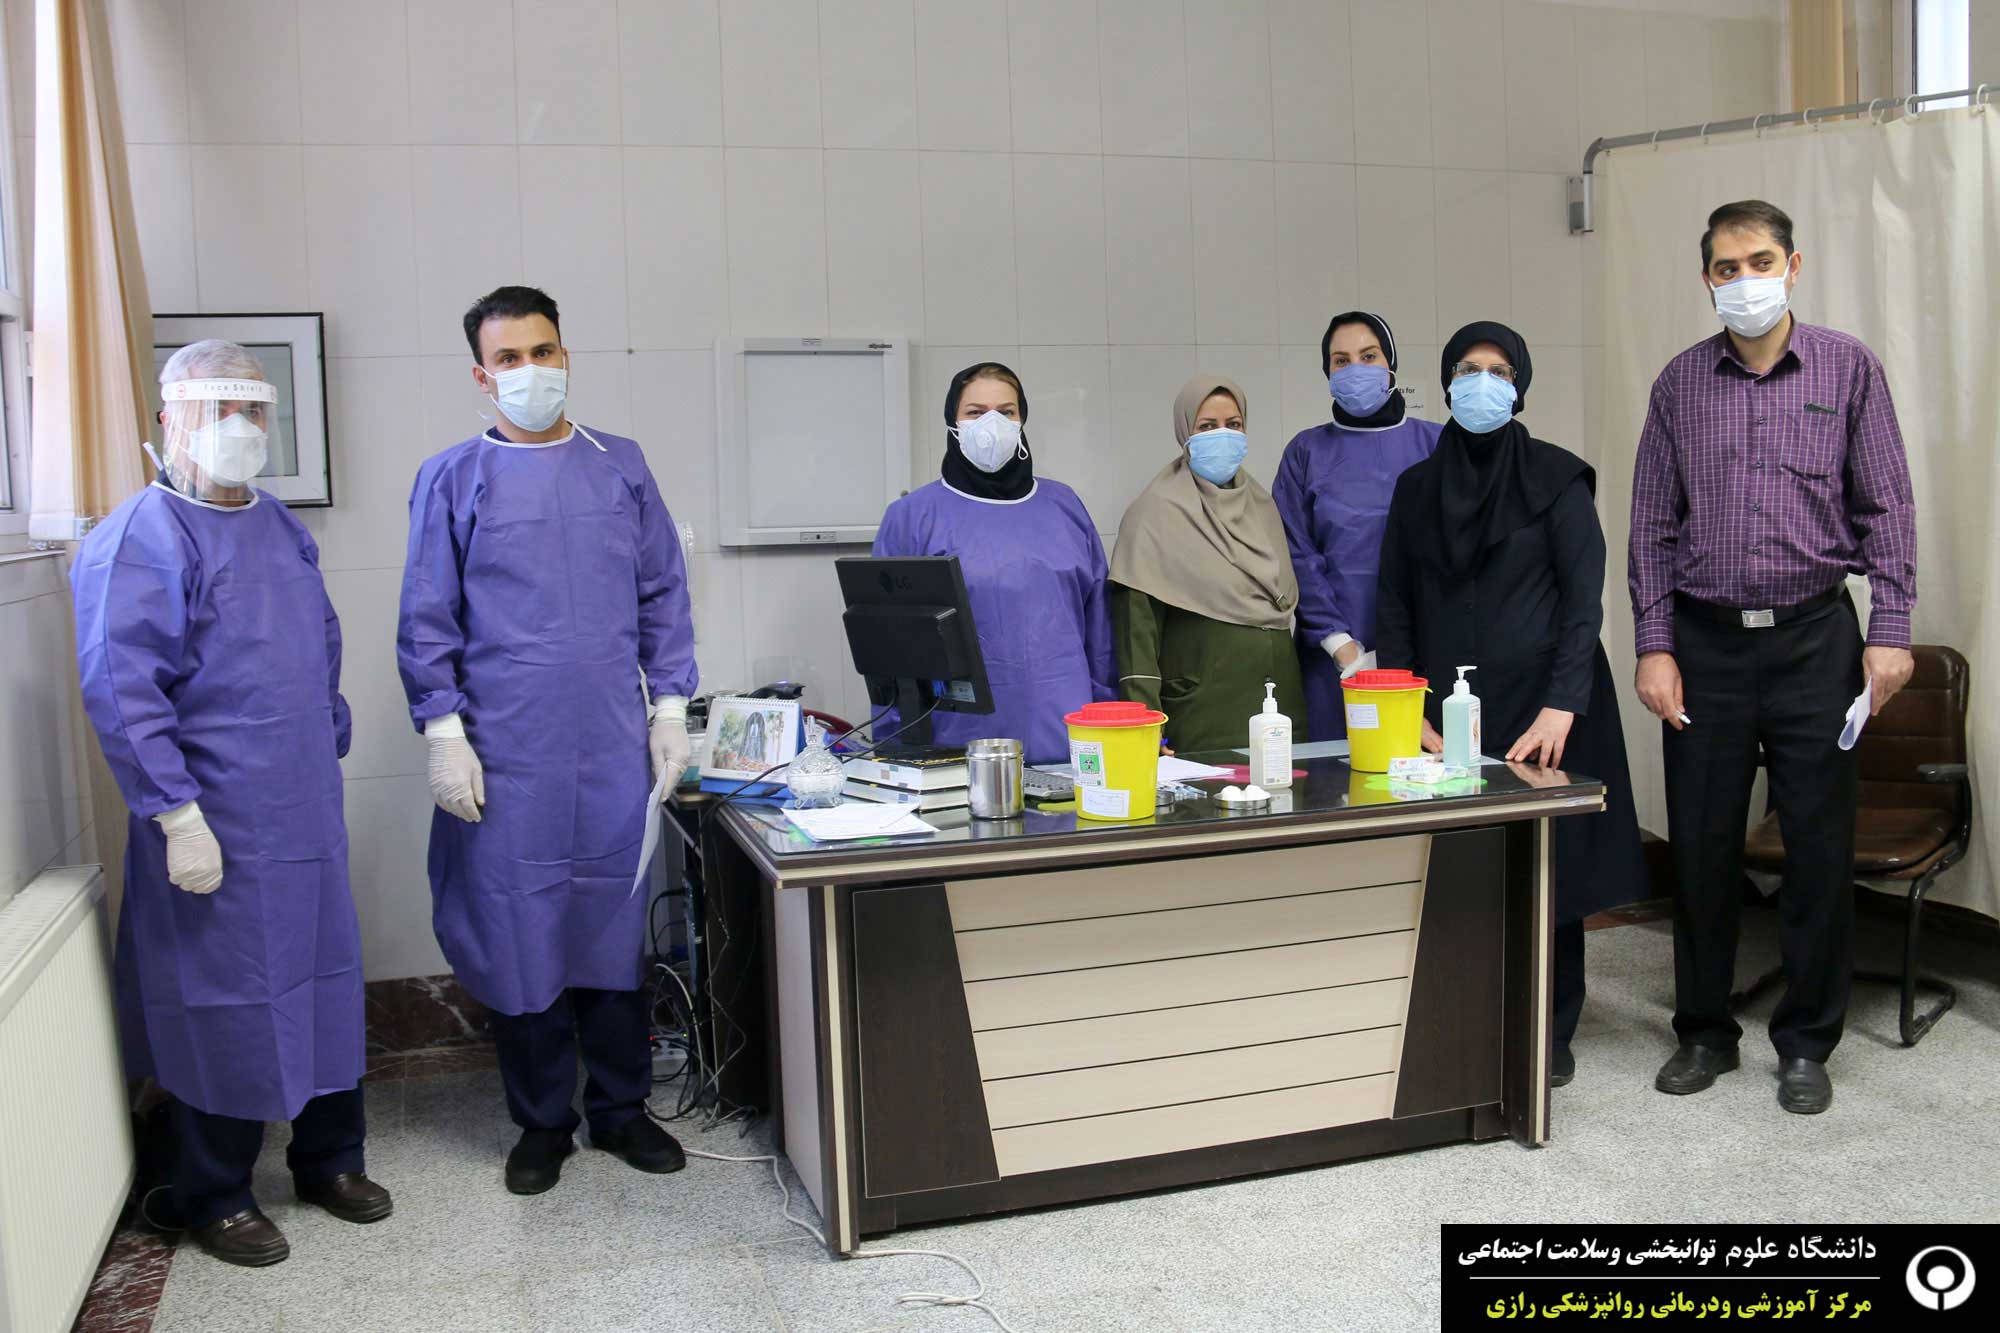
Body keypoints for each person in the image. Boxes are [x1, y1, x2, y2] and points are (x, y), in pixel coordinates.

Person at [71, 340, 390, 1267]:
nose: (239, 429)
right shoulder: (139, 538)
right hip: (210, 820)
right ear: (169, 420)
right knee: (219, 1001)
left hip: (301, 810)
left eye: (252, 410)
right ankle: (215, 1191)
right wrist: (175, 814)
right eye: (218, 411)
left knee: (323, 978)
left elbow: (317, 642)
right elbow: (123, 688)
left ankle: (330, 1159)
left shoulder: (279, 525)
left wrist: (326, 726)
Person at [397, 286, 697, 1192]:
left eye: (544, 351)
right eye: (511, 358)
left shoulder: (620, 466)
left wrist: (670, 707)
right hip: (508, 750)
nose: (531, 370)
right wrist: (444, 729)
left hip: (608, 744)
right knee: (521, 930)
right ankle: (541, 1123)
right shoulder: (454, 478)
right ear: (481, 376)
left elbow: (661, 592)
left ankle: (622, 1109)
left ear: (566, 355)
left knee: (609, 925)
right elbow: (427, 613)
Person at [1629, 201, 1917, 1116]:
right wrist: (1654, 645)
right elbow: (1651, 526)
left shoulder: (1848, 369)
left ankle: (1806, 1041)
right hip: (1705, 643)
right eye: (1726, 267)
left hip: (1815, 640)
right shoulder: (1680, 384)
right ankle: (1704, 1030)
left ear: (1793, 267)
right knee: (1703, 846)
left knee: (1819, 850)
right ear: (1706, 278)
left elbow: (1888, 505)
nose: (1744, 280)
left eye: (1760, 261)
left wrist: (1892, 626)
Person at [1376, 321, 1646, 1087]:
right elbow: (1393, 604)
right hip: (1448, 716)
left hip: (1546, 708)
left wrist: (1564, 703)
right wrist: (1405, 708)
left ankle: (1551, 1026)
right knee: (1459, 866)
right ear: (1445, 381)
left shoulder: (1558, 478)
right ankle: (1468, 1015)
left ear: (1520, 384)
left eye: (1498, 370)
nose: (1481, 383)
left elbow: (1583, 602)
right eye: (1466, 368)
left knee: (1551, 866)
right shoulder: (1416, 489)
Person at [871, 362, 1114, 764]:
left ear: (1022, 420)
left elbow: (1101, 630)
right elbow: (887, 646)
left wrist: (1110, 722)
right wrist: (898, 748)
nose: (991, 423)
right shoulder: (913, 516)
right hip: (957, 748)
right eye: (975, 412)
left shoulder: (1064, 506)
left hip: (1067, 738)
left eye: (1006, 412)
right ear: (952, 422)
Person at [1109, 375, 1304, 752]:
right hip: (1203, 710)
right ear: (1185, 432)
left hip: (1280, 704)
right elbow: (1137, 632)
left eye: (1234, 424)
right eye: (1207, 426)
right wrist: (1144, 719)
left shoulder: (1262, 507)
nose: (1222, 435)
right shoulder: (1154, 513)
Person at [1274, 312, 1443, 740]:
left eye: (1368, 356)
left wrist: (1412, 646)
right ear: (1328, 372)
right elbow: (1295, 552)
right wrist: (1342, 647)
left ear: (1391, 364)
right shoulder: (1306, 452)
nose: (1355, 369)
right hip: (1331, 658)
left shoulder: (1437, 445)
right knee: (1336, 771)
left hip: (1425, 651)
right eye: (1341, 361)